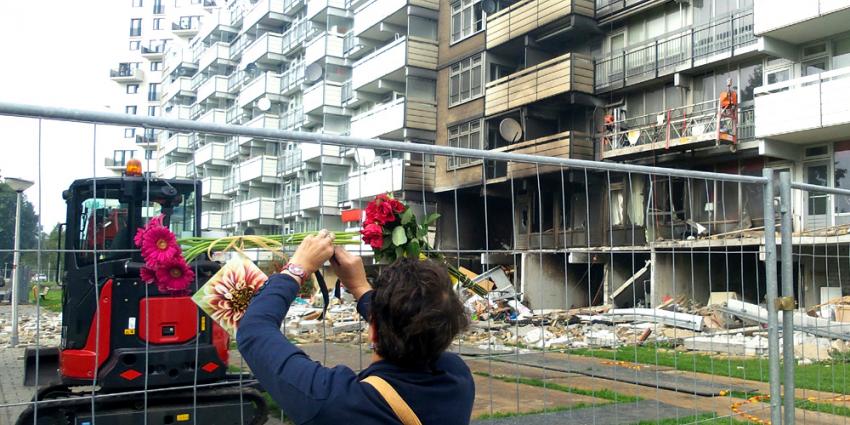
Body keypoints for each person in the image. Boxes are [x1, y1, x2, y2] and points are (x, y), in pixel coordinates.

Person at [237, 229, 474, 425]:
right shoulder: (458, 379)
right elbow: (412, 322)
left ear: (373, 330)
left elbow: (253, 331)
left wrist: (296, 269)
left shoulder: (334, 403)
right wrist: (359, 286)